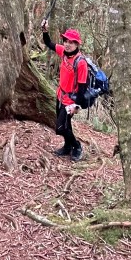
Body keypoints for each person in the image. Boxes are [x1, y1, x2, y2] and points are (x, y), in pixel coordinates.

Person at [40, 19, 88, 162]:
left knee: (60, 127)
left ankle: (77, 146)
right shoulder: (63, 52)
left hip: (70, 101)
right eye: (66, 40)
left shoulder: (81, 63)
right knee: (66, 125)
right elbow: (49, 43)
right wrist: (45, 30)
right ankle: (67, 147)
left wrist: (76, 106)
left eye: (71, 42)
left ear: (77, 44)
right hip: (60, 96)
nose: (67, 44)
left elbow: (82, 88)